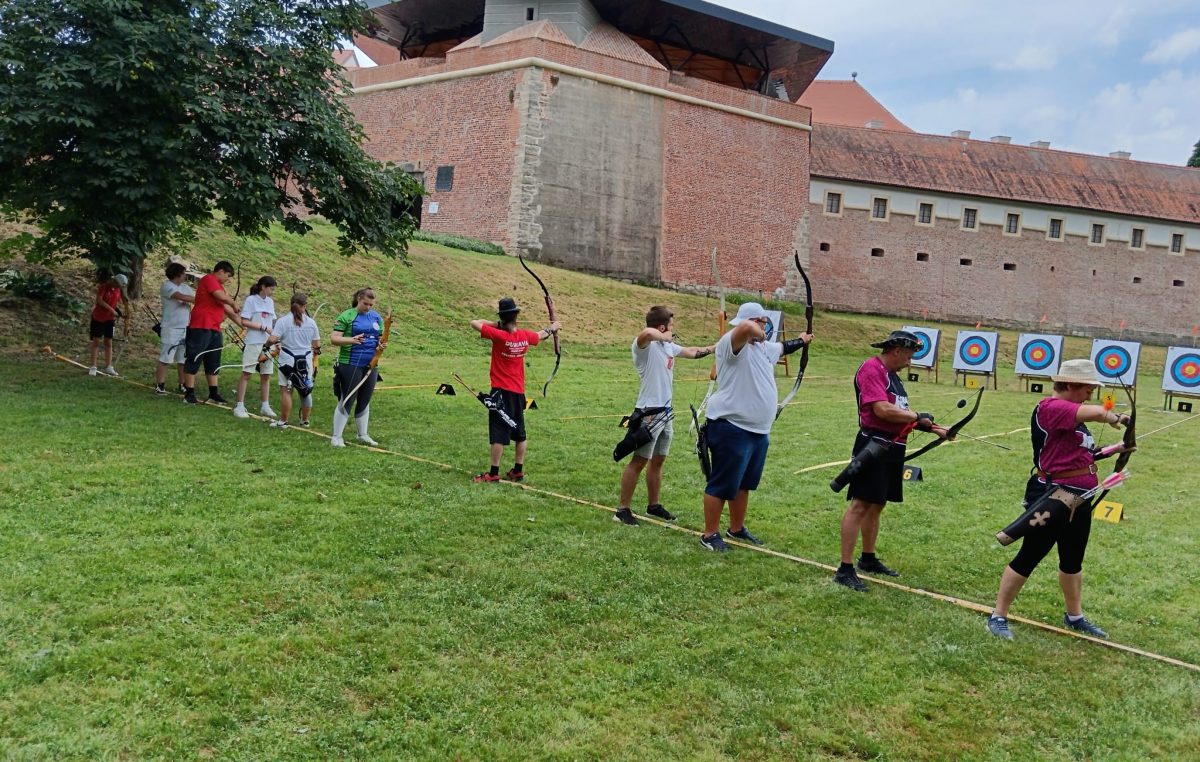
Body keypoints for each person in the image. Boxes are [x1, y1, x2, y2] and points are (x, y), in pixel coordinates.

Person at [985, 359, 1133, 641]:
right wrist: (1117, 417)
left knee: (1072, 558)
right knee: (1031, 554)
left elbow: (1083, 454)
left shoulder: (1073, 417)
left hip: (1081, 496)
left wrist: (1118, 448)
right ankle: (998, 616)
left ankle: (1074, 616)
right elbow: (1099, 413)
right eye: (1088, 388)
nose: (1091, 393)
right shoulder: (1051, 408)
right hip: (1054, 496)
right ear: (1070, 384)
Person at [835, 330, 950, 591]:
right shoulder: (872, 369)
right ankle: (844, 568)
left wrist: (936, 429)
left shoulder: (893, 378)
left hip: (892, 448)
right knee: (860, 505)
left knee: (876, 505)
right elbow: (882, 410)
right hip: (874, 446)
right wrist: (918, 415)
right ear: (896, 350)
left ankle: (868, 558)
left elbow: (901, 415)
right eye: (908, 356)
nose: (910, 362)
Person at [698, 302, 811, 551]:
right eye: (763, 321)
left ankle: (736, 529)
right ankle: (709, 534)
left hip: (758, 431)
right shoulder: (731, 343)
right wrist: (757, 329)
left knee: (744, 483)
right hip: (731, 426)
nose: (764, 327)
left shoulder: (763, 348)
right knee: (721, 483)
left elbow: (784, 347)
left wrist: (803, 339)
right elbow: (748, 327)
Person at [613, 306, 714, 526]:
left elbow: (692, 352)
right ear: (662, 326)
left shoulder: (667, 346)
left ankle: (653, 505)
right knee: (639, 461)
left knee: (658, 461)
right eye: (670, 326)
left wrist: (716, 347)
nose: (672, 331)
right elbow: (646, 334)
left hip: (665, 414)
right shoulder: (644, 347)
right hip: (649, 414)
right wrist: (663, 335)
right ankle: (622, 510)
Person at [469, 297, 560, 483]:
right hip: (518, 392)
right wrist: (553, 327)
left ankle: (493, 473)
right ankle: (518, 470)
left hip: (501, 391)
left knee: (498, 433)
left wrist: (498, 324)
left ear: (502, 318)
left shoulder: (499, 335)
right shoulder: (525, 336)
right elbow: (541, 335)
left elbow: (474, 323)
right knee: (519, 431)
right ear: (516, 316)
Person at [330, 287, 387, 447]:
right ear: (358, 299)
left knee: (365, 398)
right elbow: (334, 339)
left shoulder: (376, 317)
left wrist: (382, 344)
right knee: (348, 398)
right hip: (350, 362)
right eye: (365, 304)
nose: (368, 307)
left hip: (371, 363)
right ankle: (336, 436)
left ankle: (363, 434)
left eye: (371, 305)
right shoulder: (347, 316)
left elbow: (381, 337)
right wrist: (352, 340)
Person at [182, 261, 242, 405]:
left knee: (213, 361)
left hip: (214, 328)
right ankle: (189, 392)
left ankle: (214, 393)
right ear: (220, 271)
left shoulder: (221, 288)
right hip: (201, 326)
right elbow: (222, 298)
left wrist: (242, 324)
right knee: (194, 357)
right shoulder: (209, 279)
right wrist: (233, 303)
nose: (228, 279)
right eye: (227, 275)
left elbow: (227, 309)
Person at [267, 292, 321, 429]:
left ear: (291, 305)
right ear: (305, 306)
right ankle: (305, 421)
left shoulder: (283, 321)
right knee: (305, 390)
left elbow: (272, 339)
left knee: (286, 391)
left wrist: (266, 346)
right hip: (306, 361)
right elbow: (316, 345)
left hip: (287, 360)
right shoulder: (311, 322)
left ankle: (283, 421)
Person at [233, 276, 278, 419]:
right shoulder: (251, 300)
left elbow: (272, 321)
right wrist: (262, 327)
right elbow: (244, 321)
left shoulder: (270, 302)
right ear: (263, 287)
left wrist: (276, 337)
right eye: (271, 288)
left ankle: (265, 405)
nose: (272, 292)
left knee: (266, 375)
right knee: (247, 373)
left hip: (267, 343)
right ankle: (239, 406)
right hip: (254, 341)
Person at [155, 262, 195, 395]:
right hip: (171, 327)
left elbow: (191, 299)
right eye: (183, 273)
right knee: (166, 357)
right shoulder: (167, 286)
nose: (185, 276)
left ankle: (183, 384)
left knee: (183, 359)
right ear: (177, 274)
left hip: (185, 327)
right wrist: (199, 299)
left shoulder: (186, 287)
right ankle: (160, 384)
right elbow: (181, 297)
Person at [87, 270, 129, 377]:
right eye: (118, 284)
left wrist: (120, 314)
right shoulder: (104, 287)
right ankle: (93, 366)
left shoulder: (118, 290)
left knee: (108, 342)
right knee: (96, 341)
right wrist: (111, 310)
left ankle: (109, 366)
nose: (118, 286)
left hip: (109, 319)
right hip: (98, 317)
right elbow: (99, 301)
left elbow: (114, 304)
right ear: (114, 281)